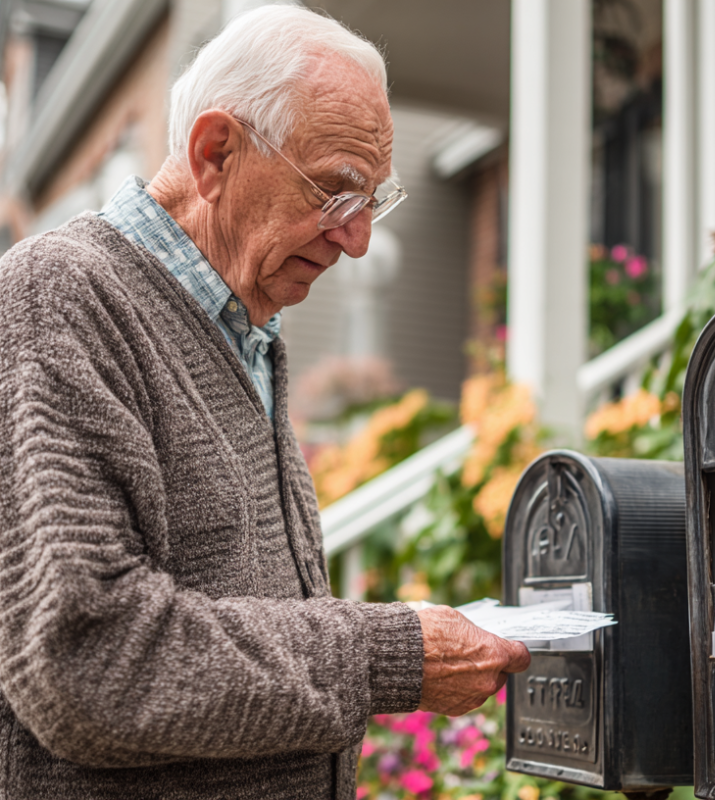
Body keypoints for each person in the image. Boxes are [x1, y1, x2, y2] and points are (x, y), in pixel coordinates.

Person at [0, 6, 529, 799]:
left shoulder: (246, 327)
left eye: (372, 204)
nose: (356, 241)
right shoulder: (59, 297)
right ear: (217, 154)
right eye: (337, 193)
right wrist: (391, 655)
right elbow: (89, 658)